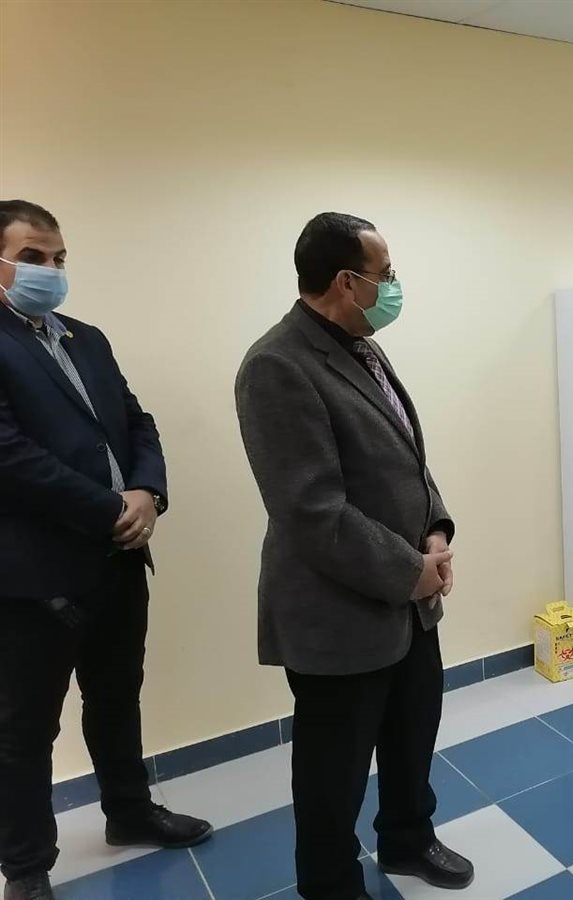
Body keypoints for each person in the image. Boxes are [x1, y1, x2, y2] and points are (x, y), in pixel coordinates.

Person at [235, 212, 472, 900]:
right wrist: (408, 572)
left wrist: (436, 530)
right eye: (385, 274)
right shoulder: (277, 365)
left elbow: (405, 456)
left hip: (410, 603)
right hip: (338, 610)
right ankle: (331, 883)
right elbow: (312, 510)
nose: (393, 285)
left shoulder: (361, 345)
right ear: (346, 281)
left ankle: (408, 838)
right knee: (333, 769)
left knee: (411, 735)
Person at [0, 201, 212, 900]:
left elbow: (136, 421)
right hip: (35, 578)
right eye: (32, 257)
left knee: (117, 697)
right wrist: (110, 509)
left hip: (119, 561)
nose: (50, 270)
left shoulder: (86, 339)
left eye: (59, 258)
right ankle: (26, 867)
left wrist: (148, 491)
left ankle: (129, 811)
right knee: (26, 727)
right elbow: (9, 455)